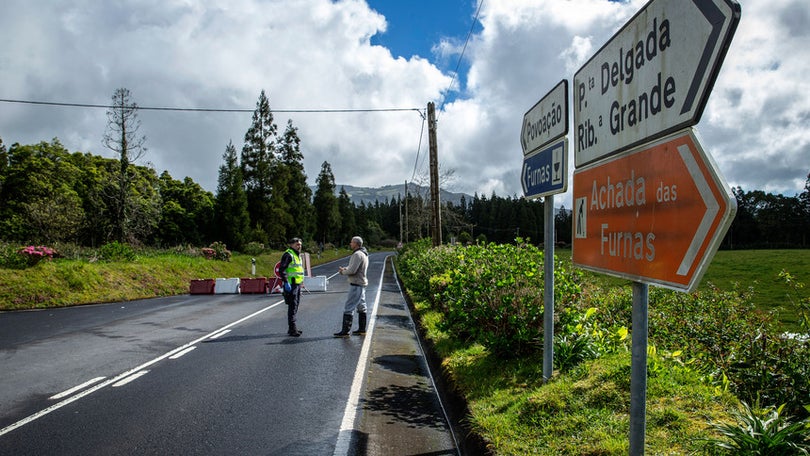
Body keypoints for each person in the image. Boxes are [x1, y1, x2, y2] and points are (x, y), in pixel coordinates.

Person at [333, 236, 369, 337]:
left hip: (356, 283)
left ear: (356, 244)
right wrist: (346, 268)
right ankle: (362, 329)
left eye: (352, 242)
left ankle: (345, 331)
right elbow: (355, 267)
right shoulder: (364, 253)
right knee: (362, 307)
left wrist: (342, 271)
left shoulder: (357, 254)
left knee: (349, 307)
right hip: (361, 283)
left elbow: (353, 270)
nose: (350, 244)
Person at [278, 237, 304, 337]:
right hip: (291, 284)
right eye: (297, 244)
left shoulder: (297, 255)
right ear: (291, 245)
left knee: (296, 305)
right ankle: (293, 329)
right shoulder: (288, 254)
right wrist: (285, 282)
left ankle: (291, 328)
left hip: (296, 284)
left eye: (300, 244)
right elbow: (282, 269)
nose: (299, 246)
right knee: (292, 306)